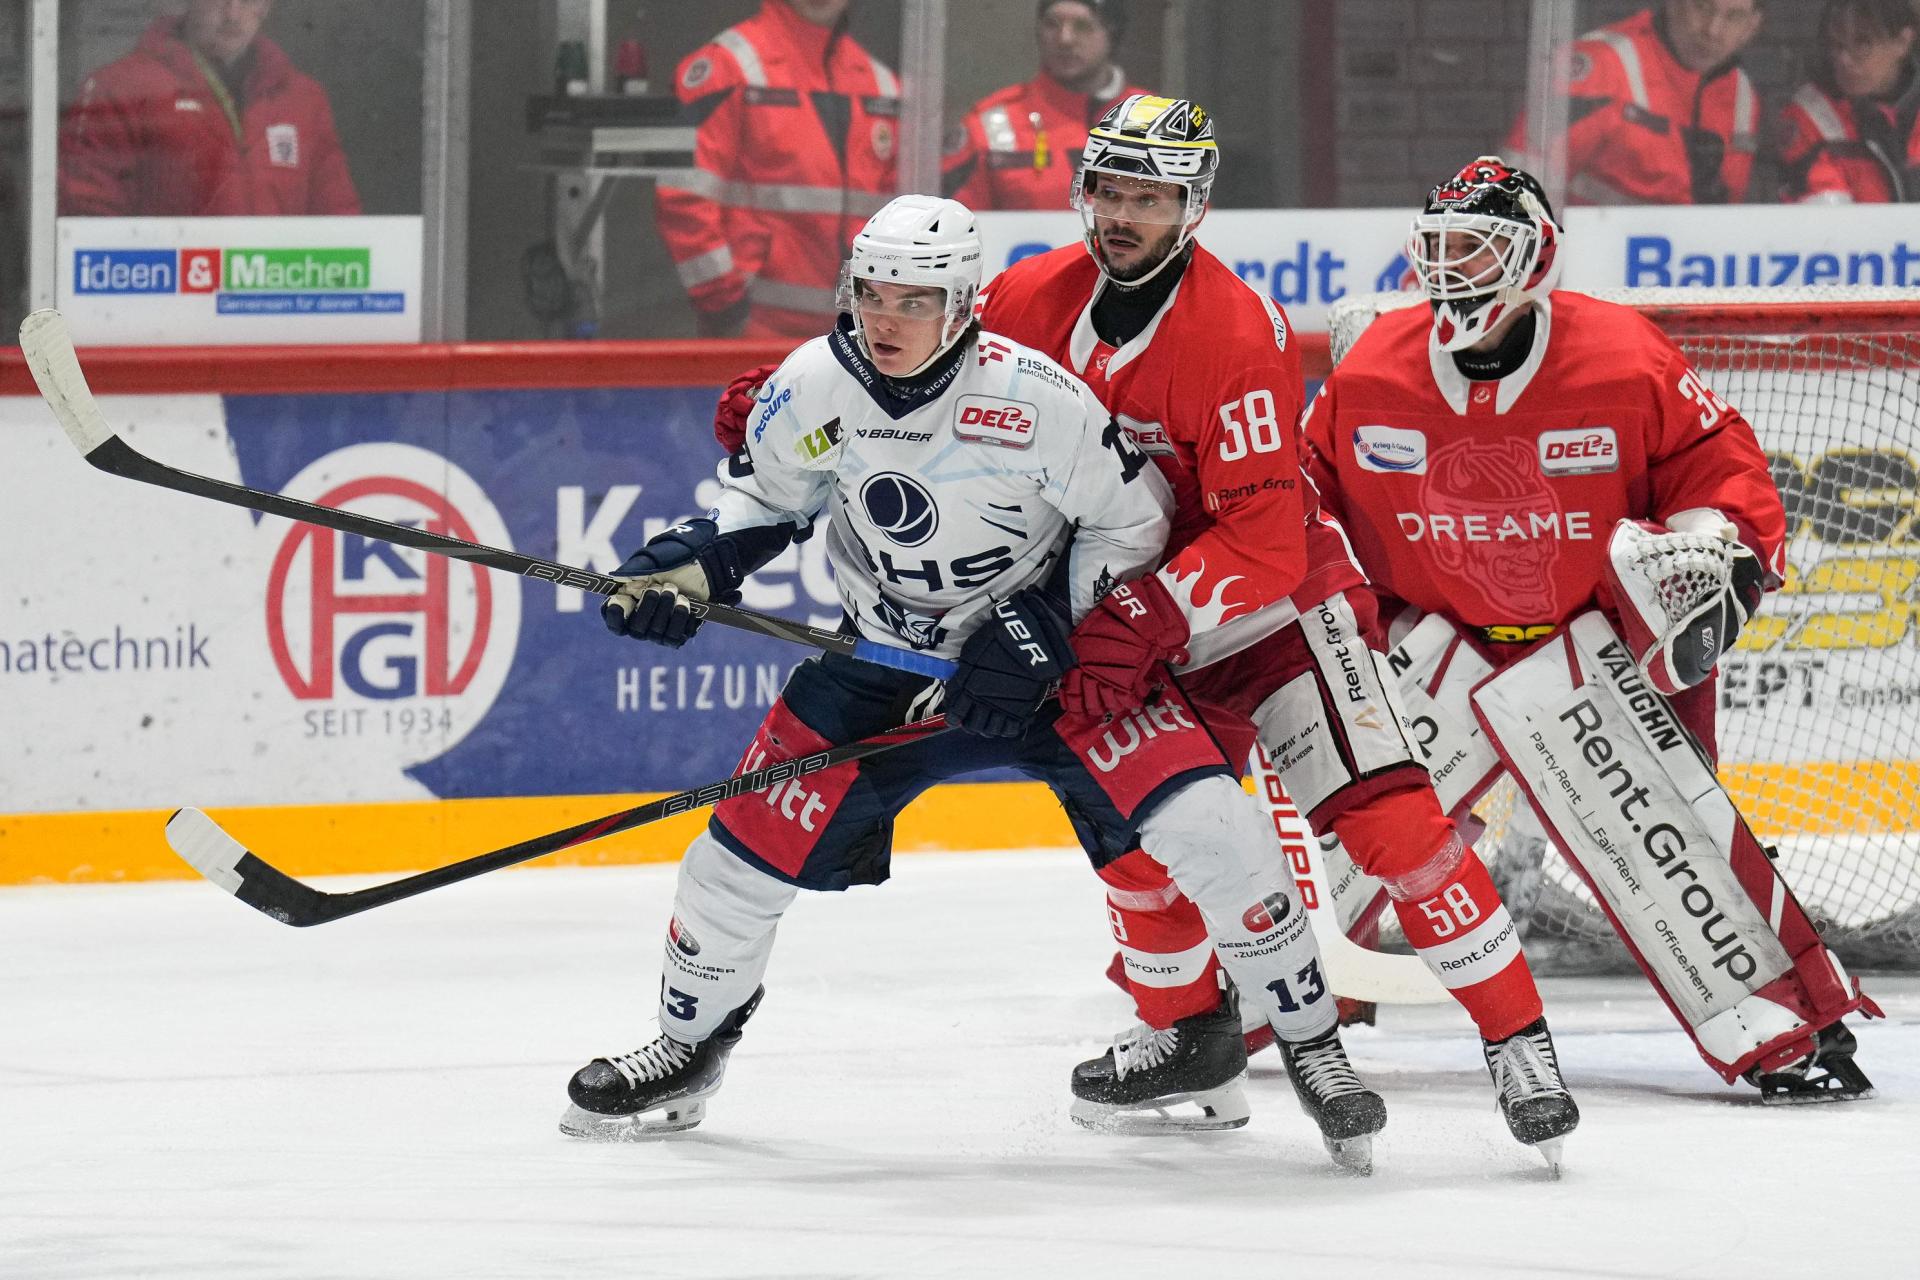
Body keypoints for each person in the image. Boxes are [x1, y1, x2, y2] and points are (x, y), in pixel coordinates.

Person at [719, 98, 1580, 1171]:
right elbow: (919, 386)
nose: (1123, 214)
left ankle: (1518, 1041)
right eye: (1111, 191)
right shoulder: (1033, 294)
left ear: (1194, 205)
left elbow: (1266, 534)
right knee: (1141, 829)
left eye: (1151, 196)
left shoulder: (1236, 329)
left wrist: (1136, 617)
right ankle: (1188, 1037)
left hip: (1276, 617)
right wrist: (797, 408)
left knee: (1391, 826)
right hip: (1133, 613)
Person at [564, 193, 1388, 1172]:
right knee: (731, 862)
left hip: (1052, 672)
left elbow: (1132, 523)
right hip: (881, 666)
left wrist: (1052, 625)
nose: (886, 319)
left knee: (1216, 830)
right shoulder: (816, 384)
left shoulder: (1039, 399)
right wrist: (687, 569)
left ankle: (1294, 1047)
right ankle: (687, 1047)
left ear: (963, 305)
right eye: (871, 294)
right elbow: (764, 499)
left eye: (914, 300)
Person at [1301, 155, 1879, 1101]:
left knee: (1669, 849)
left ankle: (1792, 1035)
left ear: (1535, 260)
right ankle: (1275, 998)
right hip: (1438, 641)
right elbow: (1305, 502)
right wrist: (1340, 617)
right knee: (1349, 824)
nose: (1455, 272)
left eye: (1479, 249)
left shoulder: (1623, 357)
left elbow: (1719, 476)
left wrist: (1710, 551)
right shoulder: (1371, 369)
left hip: (1592, 652)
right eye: (1440, 249)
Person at [656, 0, 899, 338]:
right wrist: (725, 308)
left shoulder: (882, 86)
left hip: (854, 343)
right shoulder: (729, 66)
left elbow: (898, 221)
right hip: (751, 337)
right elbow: (683, 197)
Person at [59, 0, 360, 217]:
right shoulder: (120, 88)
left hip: (274, 297)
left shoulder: (302, 99)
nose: (232, 14)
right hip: (168, 296)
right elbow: (85, 219)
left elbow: (340, 219)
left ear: (266, 6)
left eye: (247, 1)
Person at [1506, 0, 1765, 205]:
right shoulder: (1602, 64)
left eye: (1734, 17)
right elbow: (1516, 187)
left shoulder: (1741, 95)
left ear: (1751, 27)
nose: (1712, 30)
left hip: (1685, 267)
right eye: (1701, 7)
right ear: (1674, 4)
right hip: (1585, 262)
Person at [941, 0, 1143, 211]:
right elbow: (951, 226)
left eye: (1083, 26)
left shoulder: (1155, 120)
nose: (1065, 39)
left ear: (1112, 32)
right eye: (1052, 24)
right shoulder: (991, 123)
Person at [1776, 0, 1920, 202]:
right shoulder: (1811, 114)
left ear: (1902, 42)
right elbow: (1828, 224)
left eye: (1862, 44)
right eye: (1837, 45)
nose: (1844, 59)